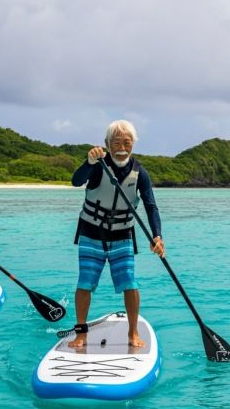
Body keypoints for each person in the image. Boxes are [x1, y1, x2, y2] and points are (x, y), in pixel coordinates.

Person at [69, 120, 165, 348]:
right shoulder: (97, 165)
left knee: (130, 283)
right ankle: (81, 333)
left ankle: (132, 333)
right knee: (85, 282)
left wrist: (157, 236)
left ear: (133, 144)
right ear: (107, 144)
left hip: (122, 236)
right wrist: (89, 161)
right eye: (116, 142)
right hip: (91, 233)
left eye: (127, 142)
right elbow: (76, 181)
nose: (122, 147)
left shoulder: (140, 173)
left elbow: (151, 206)